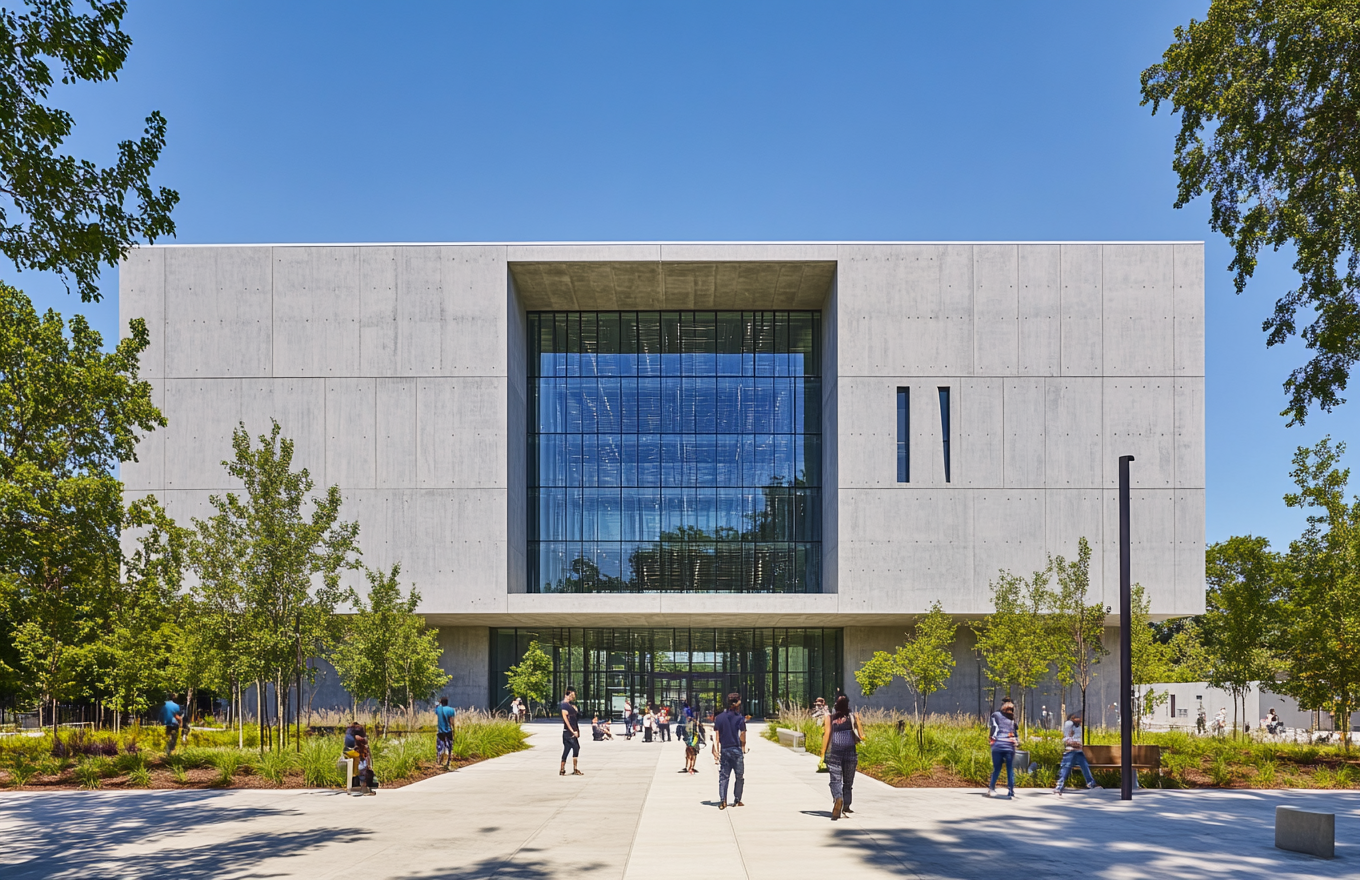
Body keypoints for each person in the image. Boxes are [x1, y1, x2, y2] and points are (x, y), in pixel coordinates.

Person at [820, 695, 865, 820]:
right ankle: (846, 805)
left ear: (836, 705)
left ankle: (838, 798)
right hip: (850, 751)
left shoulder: (830, 718)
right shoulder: (851, 717)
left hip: (835, 752)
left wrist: (823, 752)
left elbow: (827, 734)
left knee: (835, 780)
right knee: (848, 782)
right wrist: (858, 720)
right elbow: (861, 735)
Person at [713, 692, 747, 809]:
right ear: (736, 703)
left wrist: (716, 749)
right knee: (739, 776)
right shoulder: (739, 718)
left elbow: (716, 735)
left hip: (725, 749)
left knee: (724, 776)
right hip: (736, 749)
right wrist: (743, 746)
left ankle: (723, 800)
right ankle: (737, 799)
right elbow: (742, 734)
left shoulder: (719, 718)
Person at [1053, 712, 1100, 795]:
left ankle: (1091, 783)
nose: (1081, 720)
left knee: (1085, 766)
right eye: (1079, 718)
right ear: (1074, 718)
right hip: (1070, 751)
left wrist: (1079, 744)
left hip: (1078, 751)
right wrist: (1074, 743)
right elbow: (1067, 737)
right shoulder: (1069, 723)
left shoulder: (1078, 726)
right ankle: (1059, 786)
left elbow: (1077, 737)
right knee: (1066, 767)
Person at [987, 698, 1018, 798]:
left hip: (998, 745)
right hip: (1009, 745)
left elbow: (993, 728)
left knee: (997, 768)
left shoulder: (995, 715)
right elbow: (1015, 733)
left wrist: (991, 739)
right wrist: (1016, 741)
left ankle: (992, 788)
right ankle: (1011, 791)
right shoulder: (1013, 719)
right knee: (1010, 769)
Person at [344, 721, 376, 795]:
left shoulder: (349, 732)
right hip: (356, 755)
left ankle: (360, 785)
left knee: (361, 769)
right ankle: (363, 786)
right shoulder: (356, 735)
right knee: (362, 769)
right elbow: (361, 740)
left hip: (352, 753)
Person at [560, 687, 583, 776]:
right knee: (576, 747)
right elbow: (566, 720)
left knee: (567, 749)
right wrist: (573, 731)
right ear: (568, 694)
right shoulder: (564, 705)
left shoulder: (569, 705)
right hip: (569, 732)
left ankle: (562, 769)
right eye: (572, 695)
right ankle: (575, 768)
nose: (573, 697)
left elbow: (575, 718)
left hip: (569, 731)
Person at [435, 696, 457, 770]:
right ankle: (448, 760)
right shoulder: (451, 710)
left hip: (440, 731)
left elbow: (436, 706)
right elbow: (451, 720)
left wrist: (438, 703)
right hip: (448, 730)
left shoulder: (438, 709)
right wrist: (453, 728)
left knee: (440, 745)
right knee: (449, 745)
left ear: (441, 702)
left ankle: (439, 758)